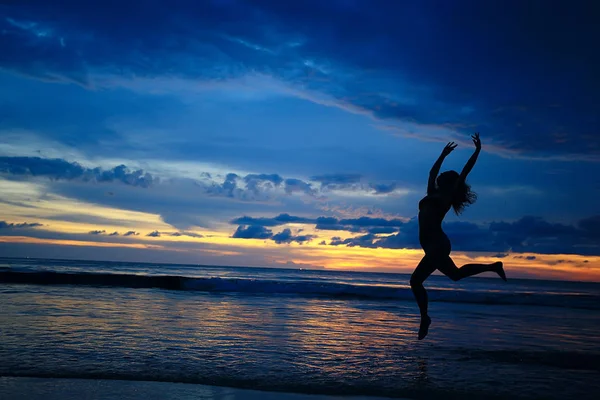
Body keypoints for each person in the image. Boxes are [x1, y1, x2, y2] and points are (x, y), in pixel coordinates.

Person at [411, 133, 507, 340]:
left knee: (415, 281)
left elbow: (465, 170)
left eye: (444, 174)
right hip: (433, 246)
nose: (440, 174)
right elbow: (431, 172)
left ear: (449, 182)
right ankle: (493, 267)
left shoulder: (446, 196)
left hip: (437, 244)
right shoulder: (431, 193)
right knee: (455, 275)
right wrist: (442, 154)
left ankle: (425, 318)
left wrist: (477, 151)